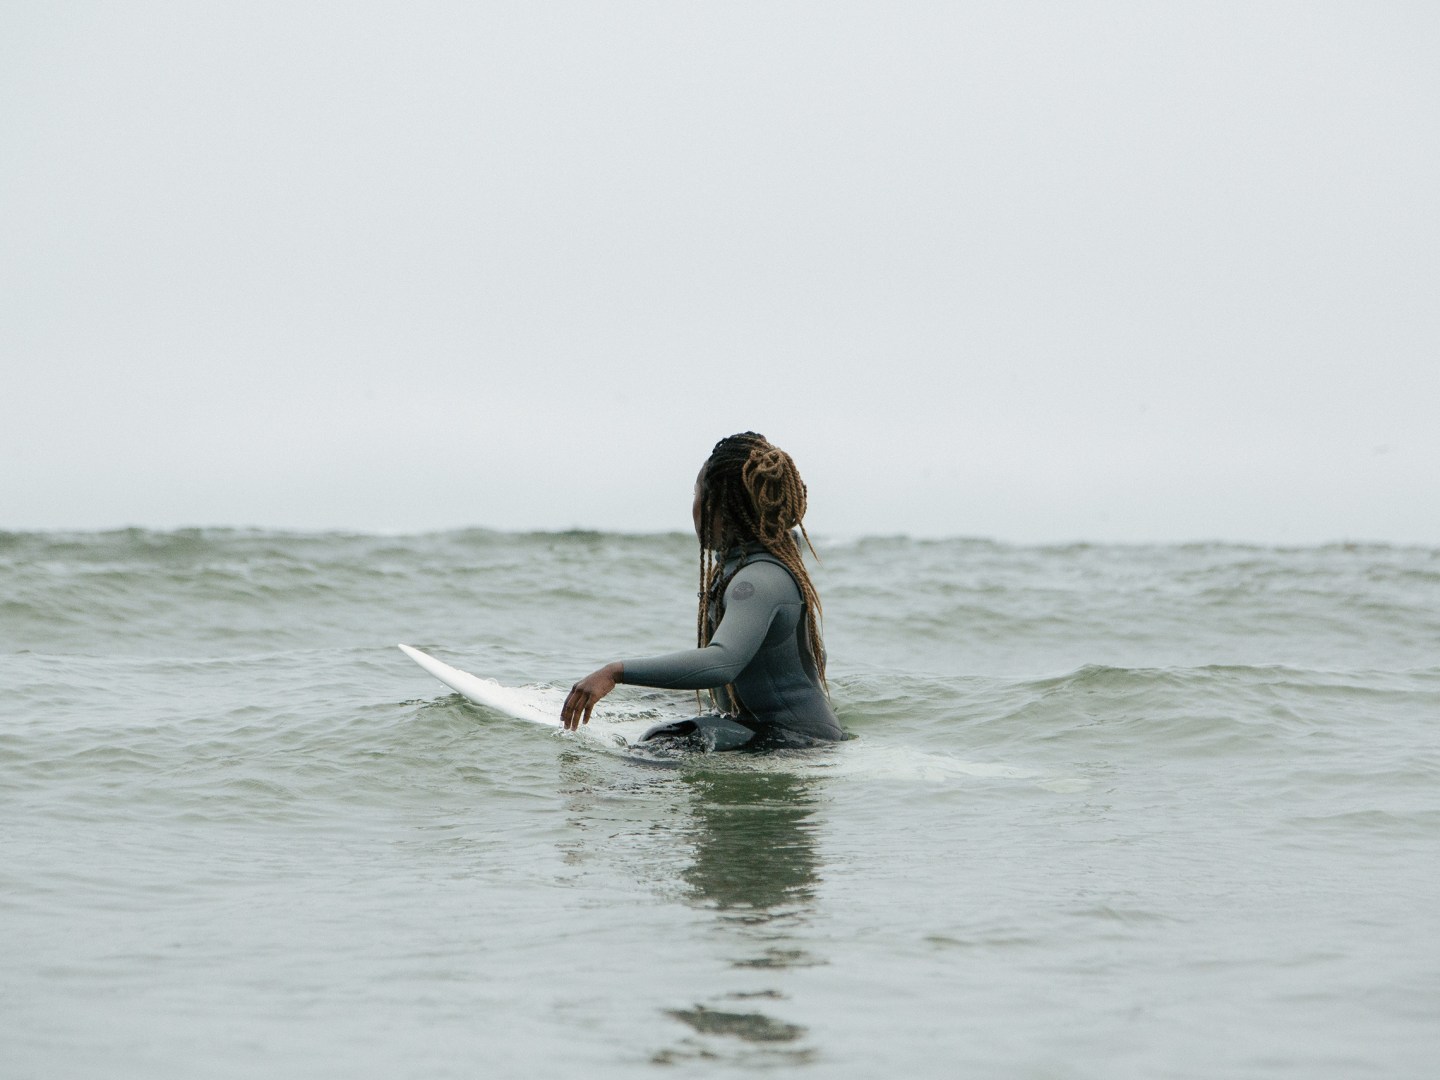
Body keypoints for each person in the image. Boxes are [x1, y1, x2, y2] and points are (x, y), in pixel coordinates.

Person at [560, 432, 843, 750]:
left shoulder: (758, 580)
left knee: (669, 739)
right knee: (676, 723)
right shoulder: (756, 567)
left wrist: (615, 672)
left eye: (697, 493)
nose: (693, 505)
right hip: (784, 733)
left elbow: (723, 661)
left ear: (719, 506)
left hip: (797, 741)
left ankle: (598, 799)